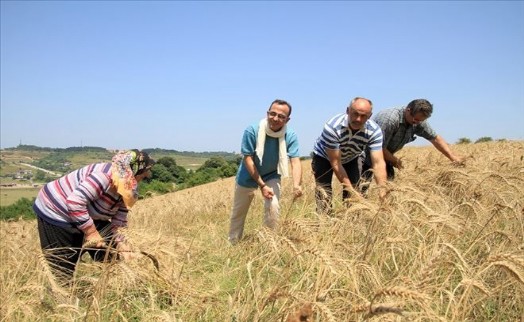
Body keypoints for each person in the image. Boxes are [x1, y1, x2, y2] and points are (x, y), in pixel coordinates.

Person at [34, 149, 155, 285]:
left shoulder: (128, 189)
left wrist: (122, 244)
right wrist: (91, 232)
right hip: (56, 209)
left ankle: (114, 285)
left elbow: (119, 221)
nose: (147, 176)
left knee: (112, 251)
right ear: (134, 171)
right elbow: (75, 202)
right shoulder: (103, 177)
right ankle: (62, 296)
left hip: (86, 212)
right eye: (144, 174)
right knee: (62, 265)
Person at [228, 99, 303, 244]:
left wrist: (296, 184)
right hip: (248, 175)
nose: (275, 119)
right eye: (272, 114)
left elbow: (295, 160)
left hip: (272, 174)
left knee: (273, 206)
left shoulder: (290, 135)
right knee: (239, 212)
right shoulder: (252, 130)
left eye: (281, 116)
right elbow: (248, 159)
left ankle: (269, 243)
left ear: (287, 119)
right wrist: (262, 185)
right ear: (267, 113)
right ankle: (233, 243)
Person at [311, 97, 387, 215]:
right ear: (347, 111)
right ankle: (324, 221)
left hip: (352, 156)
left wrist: (383, 192)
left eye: (363, 116)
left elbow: (378, 163)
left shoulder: (375, 131)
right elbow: (336, 163)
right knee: (324, 190)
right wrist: (351, 190)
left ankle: (348, 222)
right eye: (355, 114)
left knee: (354, 191)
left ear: (370, 116)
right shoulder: (332, 127)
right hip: (324, 156)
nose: (358, 119)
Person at [361, 98, 464, 183]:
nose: (416, 123)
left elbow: (435, 138)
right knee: (359, 188)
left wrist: (453, 157)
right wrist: (395, 161)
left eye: (420, 121)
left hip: (385, 157)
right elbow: (379, 147)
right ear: (408, 110)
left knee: (389, 187)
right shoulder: (390, 119)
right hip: (364, 155)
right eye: (415, 119)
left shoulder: (417, 121)